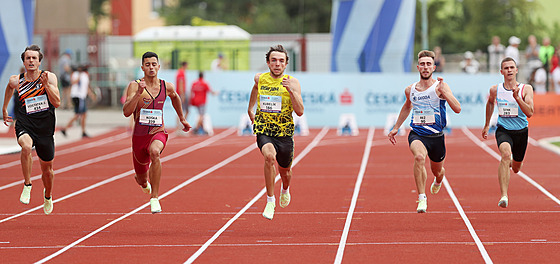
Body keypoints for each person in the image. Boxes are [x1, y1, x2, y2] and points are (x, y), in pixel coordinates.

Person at [388, 50, 461, 213]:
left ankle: (438, 179)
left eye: (429, 64)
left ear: (434, 67)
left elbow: (457, 108)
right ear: (418, 67)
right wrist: (395, 127)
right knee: (419, 157)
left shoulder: (440, 86)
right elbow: (407, 106)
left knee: (437, 170)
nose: (426, 67)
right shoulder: (410, 89)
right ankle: (422, 198)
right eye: (423, 64)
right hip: (417, 134)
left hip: (436, 137)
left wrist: (445, 93)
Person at [122, 51, 191, 213]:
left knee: (155, 152)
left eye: (154, 64)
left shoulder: (166, 86)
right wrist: (138, 93)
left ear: (159, 67)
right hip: (139, 137)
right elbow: (126, 112)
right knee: (141, 179)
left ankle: (155, 197)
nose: (151, 67)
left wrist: (182, 118)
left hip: (158, 132)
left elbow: (175, 97)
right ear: (142, 67)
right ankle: (145, 184)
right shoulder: (134, 85)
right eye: (147, 65)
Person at [1, 44, 61, 215]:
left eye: (34, 58)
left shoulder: (49, 77)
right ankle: (27, 184)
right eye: (28, 58)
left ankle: (48, 195)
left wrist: (46, 87)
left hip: (45, 128)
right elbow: (9, 88)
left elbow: (57, 102)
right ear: (24, 61)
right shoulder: (17, 80)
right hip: (25, 123)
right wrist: (5, 109)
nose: (31, 61)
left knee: (47, 171)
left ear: (39, 61)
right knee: (26, 147)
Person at [247, 45, 304, 220]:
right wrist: (250, 109)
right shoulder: (260, 78)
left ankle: (285, 189)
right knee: (269, 157)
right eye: (274, 60)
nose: (277, 64)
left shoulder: (292, 82)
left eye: (281, 61)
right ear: (268, 63)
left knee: (285, 171)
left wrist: (291, 91)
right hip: (264, 129)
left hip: (284, 133)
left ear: (286, 64)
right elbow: (255, 89)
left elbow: (300, 111)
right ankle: (270, 201)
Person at [482, 57, 534, 208]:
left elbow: (530, 112)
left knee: (516, 168)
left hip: (521, 132)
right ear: (501, 71)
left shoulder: (526, 89)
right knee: (505, 155)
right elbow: (490, 102)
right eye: (506, 68)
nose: (509, 70)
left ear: (516, 70)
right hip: (503, 130)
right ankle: (504, 195)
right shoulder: (495, 90)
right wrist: (486, 125)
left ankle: (512, 164)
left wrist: (517, 98)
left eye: (512, 67)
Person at [60, 65, 92, 138]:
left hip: (82, 96)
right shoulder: (76, 74)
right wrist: (79, 76)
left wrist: (91, 95)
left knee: (84, 114)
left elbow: (86, 87)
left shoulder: (85, 76)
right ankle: (65, 128)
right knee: (78, 114)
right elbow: (73, 82)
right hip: (77, 96)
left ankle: (83, 131)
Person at [175, 61, 189, 134]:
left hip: (180, 93)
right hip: (181, 93)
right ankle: (180, 127)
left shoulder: (179, 72)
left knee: (182, 111)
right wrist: (182, 95)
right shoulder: (181, 72)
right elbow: (180, 83)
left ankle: (180, 127)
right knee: (183, 111)